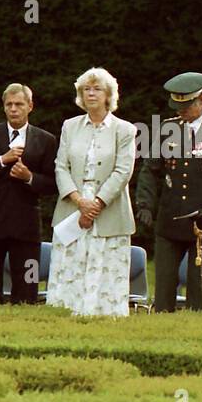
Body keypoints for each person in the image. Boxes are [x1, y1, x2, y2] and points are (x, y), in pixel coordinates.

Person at [135, 72, 202, 311]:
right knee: (163, 293)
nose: (180, 110)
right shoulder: (166, 128)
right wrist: (144, 204)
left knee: (199, 295)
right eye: (176, 105)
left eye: (186, 104)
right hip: (169, 222)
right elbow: (149, 170)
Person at [46, 67, 136, 317]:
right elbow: (61, 166)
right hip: (71, 208)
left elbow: (123, 170)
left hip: (109, 211)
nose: (91, 93)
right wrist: (78, 201)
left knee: (104, 272)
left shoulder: (125, 130)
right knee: (69, 270)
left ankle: (104, 320)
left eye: (97, 89)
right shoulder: (69, 126)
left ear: (109, 95)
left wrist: (96, 204)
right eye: (86, 89)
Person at [0, 83, 57, 304]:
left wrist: (29, 177)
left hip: (27, 226)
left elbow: (54, 184)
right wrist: (1, 160)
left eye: (19, 104)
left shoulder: (46, 140)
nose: (14, 109)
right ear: (4, 107)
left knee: (28, 286)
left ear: (30, 106)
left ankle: (26, 327)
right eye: (9, 104)